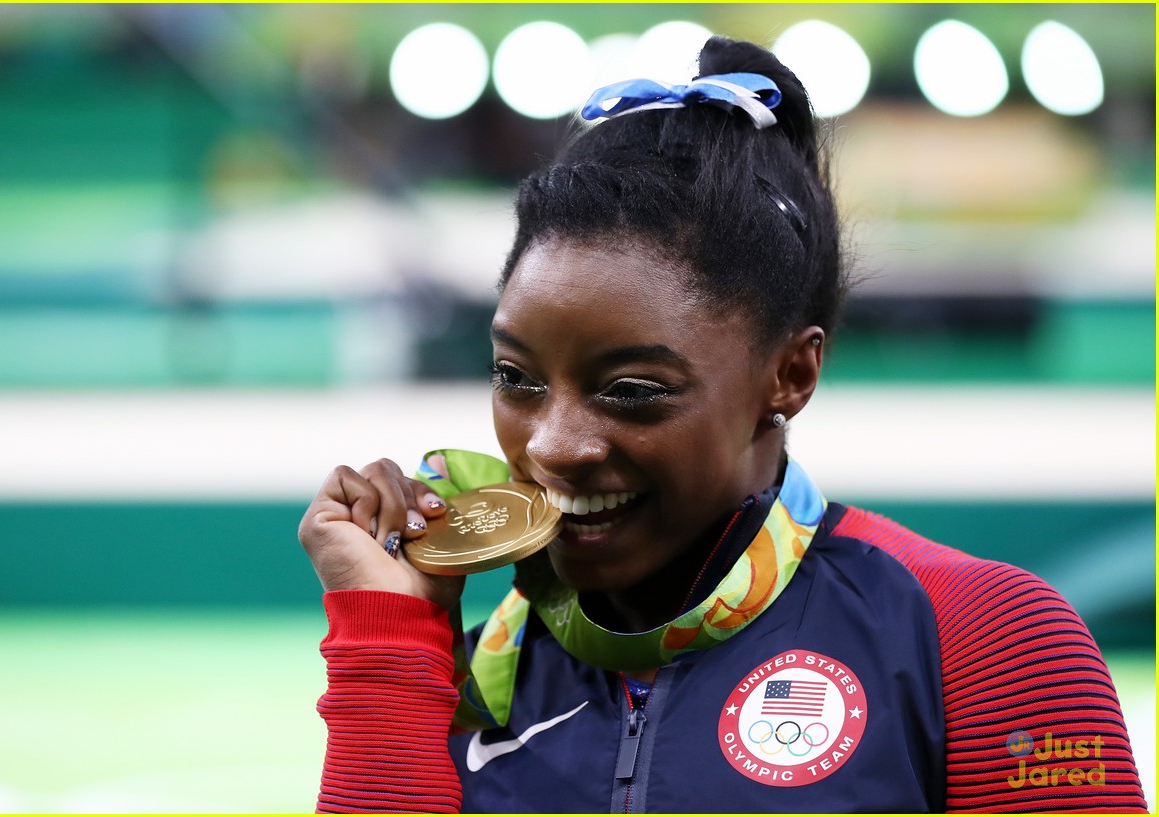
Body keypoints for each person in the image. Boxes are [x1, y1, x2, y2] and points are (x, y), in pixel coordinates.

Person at [298, 35, 1147, 813]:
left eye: (631, 389)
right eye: (517, 377)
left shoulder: (982, 637)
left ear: (791, 374)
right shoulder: (451, 673)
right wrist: (391, 640)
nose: (554, 444)